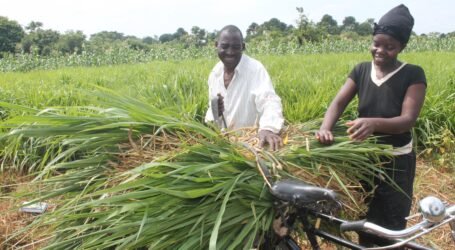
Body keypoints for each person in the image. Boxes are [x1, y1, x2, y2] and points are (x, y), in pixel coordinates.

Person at [315, 5, 426, 247]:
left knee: (392, 221)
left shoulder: (413, 74)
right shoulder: (361, 70)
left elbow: (407, 121)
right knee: (362, 214)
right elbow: (338, 102)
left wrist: (373, 123)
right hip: (363, 158)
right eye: (377, 43)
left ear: (401, 47)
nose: (381, 50)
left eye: (390, 46)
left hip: (396, 160)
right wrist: (326, 127)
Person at [205, 25, 284, 150]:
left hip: (253, 143)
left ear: (243, 47)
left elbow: (269, 100)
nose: (230, 52)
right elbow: (212, 112)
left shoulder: (255, 69)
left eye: (236, 47)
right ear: (216, 45)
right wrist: (215, 112)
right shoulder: (215, 74)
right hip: (227, 144)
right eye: (225, 46)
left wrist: (268, 129)